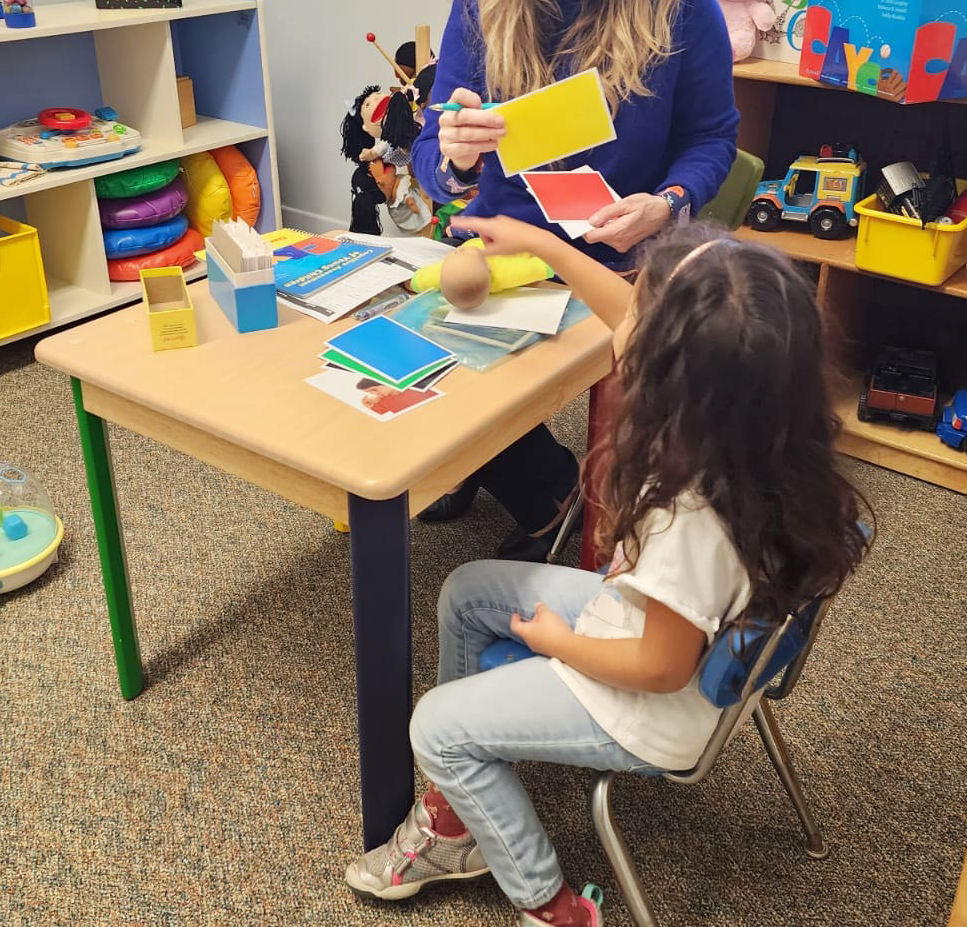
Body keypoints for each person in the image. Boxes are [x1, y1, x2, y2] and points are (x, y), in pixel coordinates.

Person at [345, 215, 869, 926]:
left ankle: (547, 903)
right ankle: (458, 808)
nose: (627, 315)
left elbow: (660, 666)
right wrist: (541, 246)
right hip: (650, 624)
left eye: (643, 312)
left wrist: (557, 642)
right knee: (468, 592)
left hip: (649, 703)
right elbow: (638, 318)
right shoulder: (758, 432)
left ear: (667, 374)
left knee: (434, 729)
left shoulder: (691, 515)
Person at [411, 0, 740, 558]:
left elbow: (713, 137)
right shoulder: (479, 1)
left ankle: (539, 490)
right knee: (423, 360)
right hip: (508, 249)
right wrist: (451, 159)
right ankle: (527, 480)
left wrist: (666, 202)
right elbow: (430, 156)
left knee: (609, 393)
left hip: (621, 256)